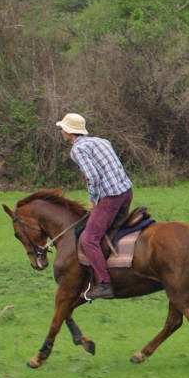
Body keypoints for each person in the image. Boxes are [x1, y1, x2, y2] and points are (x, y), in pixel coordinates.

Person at [56, 112, 133, 300]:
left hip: (110, 198)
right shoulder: (102, 141)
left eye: (62, 128)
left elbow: (93, 176)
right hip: (126, 192)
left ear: (69, 131)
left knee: (89, 239)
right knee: (110, 231)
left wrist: (93, 199)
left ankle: (105, 283)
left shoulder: (77, 150)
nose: (61, 131)